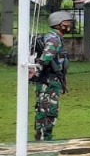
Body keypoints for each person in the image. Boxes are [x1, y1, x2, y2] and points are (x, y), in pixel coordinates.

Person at [30, 11, 74, 141]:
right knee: (47, 111)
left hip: (52, 80)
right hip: (48, 81)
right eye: (68, 22)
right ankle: (43, 139)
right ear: (60, 24)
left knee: (49, 110)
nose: (70, 25)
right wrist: (39, 68)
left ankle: (44, 137)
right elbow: (47, 54)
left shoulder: (55, 37)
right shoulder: (53, 38)